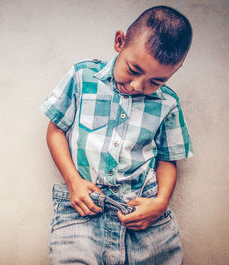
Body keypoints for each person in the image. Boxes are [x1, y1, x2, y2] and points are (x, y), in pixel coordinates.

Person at [40, 5, 193, 265]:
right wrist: (73, 181)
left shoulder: (168, 103)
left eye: (156, 81)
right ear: (119, 42)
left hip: (143, 216)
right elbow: (56, 131)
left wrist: (161, 202)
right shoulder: (82, 77)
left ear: (175, 71)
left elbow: (168, 160)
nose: (138, 86)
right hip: (83, 209)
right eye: (133, 70)